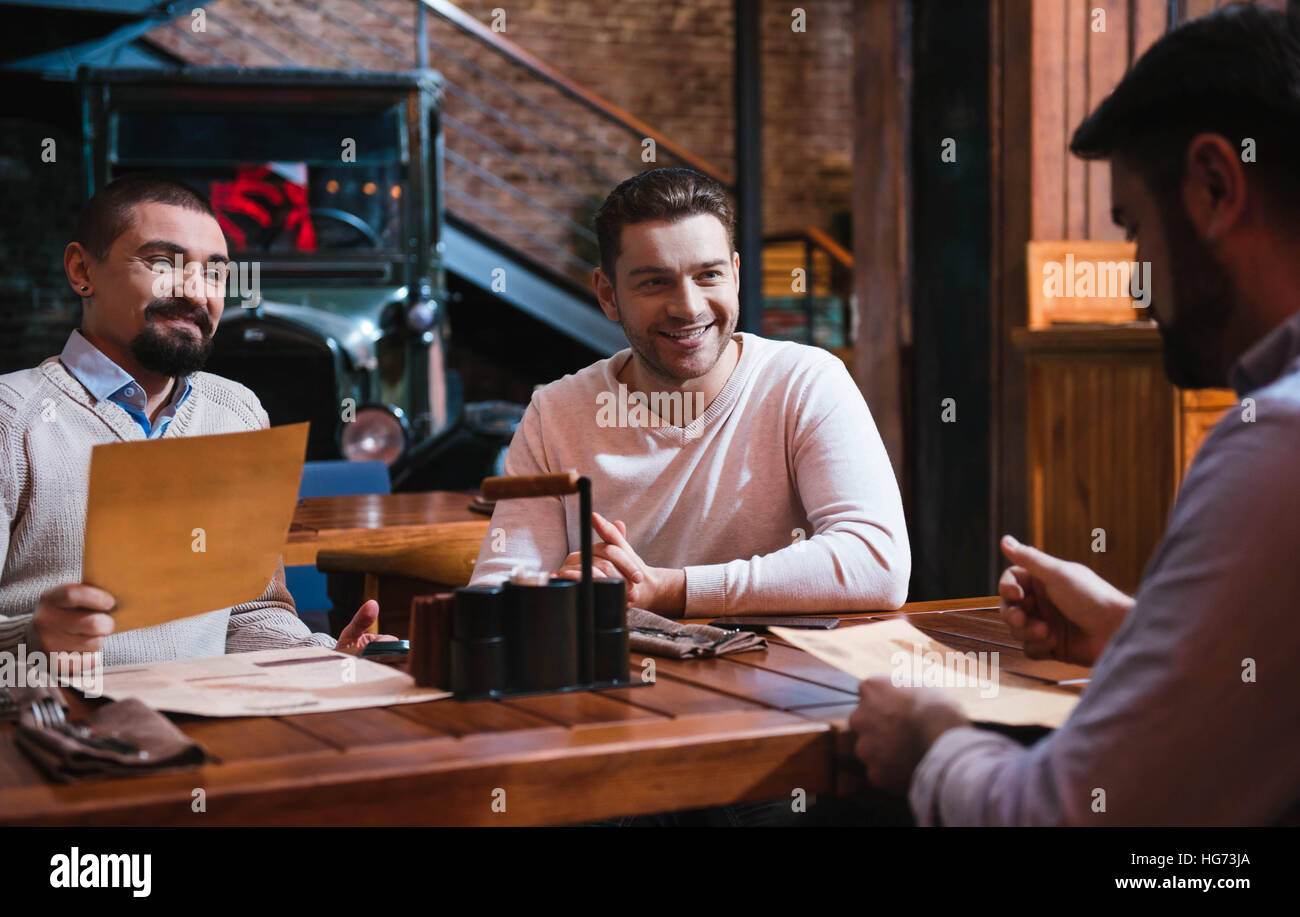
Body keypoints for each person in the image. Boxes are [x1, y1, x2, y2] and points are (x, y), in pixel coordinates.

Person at [847, 3, 1300, 825]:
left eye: (1133, 229)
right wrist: (1141, 636)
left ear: (1214, 187)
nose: (1136, 277)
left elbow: (1061, 817)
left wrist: (929, 739)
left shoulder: (1276, 443)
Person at [468, 167, 910, 618]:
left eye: (708, 275)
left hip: (784, 682)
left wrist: (672, 590)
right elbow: (499, 591)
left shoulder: (805, 381)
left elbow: (877, 563)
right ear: (608, 294)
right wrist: (564, 591)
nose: (688, 307)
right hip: (623, 681)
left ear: (735, 275)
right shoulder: (555, 412)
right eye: (654, 282)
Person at [0, 175, 389, 666]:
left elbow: (251, 612)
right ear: (82, 271)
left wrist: (327, 655)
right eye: (162, 263)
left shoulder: (237, 413)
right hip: (54, 731)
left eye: (214, 274)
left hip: (204, 725)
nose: (194, 292)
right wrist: (30, 640)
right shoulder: (10, 418)